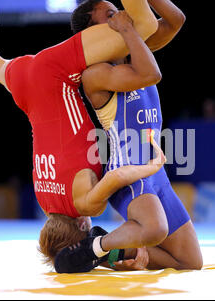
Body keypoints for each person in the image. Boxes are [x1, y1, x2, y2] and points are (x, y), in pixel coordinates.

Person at [0, 0, 165, 270]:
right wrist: (114, 259)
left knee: (144, 25)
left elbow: (118, 175)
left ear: (82, 229)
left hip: (56, 76)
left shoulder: (86, 205)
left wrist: (152, 165)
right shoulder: (46, 202)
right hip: (28, 90)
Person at [54, 0, 203, 273]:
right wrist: (128, 29)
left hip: (156, 176)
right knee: (155, 228)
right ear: (90, 34)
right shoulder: (95, 74)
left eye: (119, 11)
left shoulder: (133, 50)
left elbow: (176, 20)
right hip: (128, 174)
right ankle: (94, 245)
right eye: (111, 15)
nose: (122, 17)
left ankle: (115, 253)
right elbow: (151, 74)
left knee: (191, 263)